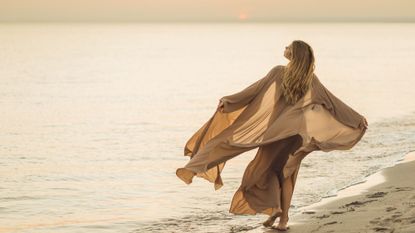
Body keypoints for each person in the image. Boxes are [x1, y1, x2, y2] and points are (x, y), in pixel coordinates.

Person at [177, 40, 368, 231]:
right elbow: (333, 103)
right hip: (297, 136)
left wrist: (230, 101)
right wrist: (357, 119)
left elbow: (254, 92)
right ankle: (282, 220)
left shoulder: (278, 72)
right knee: (286, 175)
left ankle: (274, 207)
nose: (285, 48)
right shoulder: (311, 80)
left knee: (257, 170)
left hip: (277, 133)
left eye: (288, 47)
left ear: (294, 54)